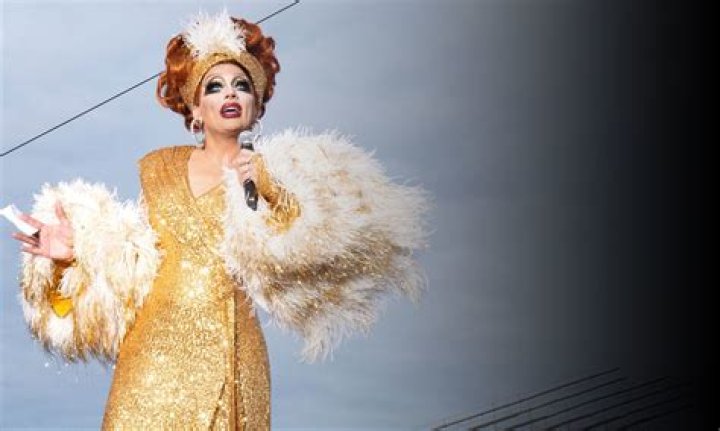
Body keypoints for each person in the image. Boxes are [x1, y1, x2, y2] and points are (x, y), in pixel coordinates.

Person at [10, 9, 430, 429]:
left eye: (241, 86)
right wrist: (74, 256)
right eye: (215, 86)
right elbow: (131, 271)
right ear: (196, 107)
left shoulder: (283, 171)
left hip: (232, 352)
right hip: (151, 358)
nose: (230, 93)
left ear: (256, 106)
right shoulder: (159, 170)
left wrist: (273, 190)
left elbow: (315, 244)